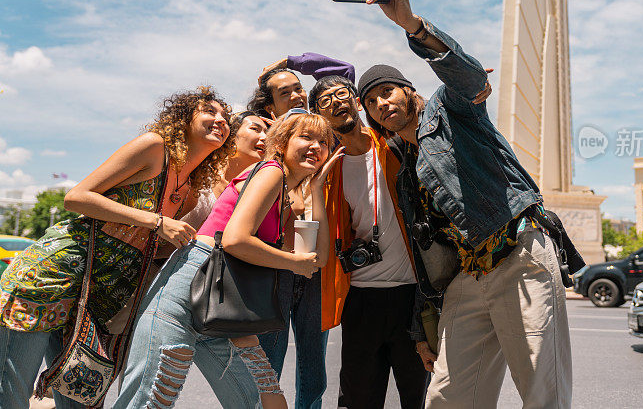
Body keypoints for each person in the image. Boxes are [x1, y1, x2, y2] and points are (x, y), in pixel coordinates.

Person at [358, 0, 573, 409]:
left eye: (387, 92)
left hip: (519, 257)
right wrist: (423, 326)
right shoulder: (406, 172)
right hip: (466, 277)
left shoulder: (449, 109)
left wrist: (413, 26)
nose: (382, 104)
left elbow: (471, 79)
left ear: (409, 91)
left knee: (541, 391)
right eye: (372, 102)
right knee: (447, 398)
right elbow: (426, 255)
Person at [0, 87, 235, 409]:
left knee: (81, 400)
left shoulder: (190, 188)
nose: (220, 120)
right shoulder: (155, 148)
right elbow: (77, 197)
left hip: (95, 299)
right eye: (210, 111)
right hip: (50, 276)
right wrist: (156, 221)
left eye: (226, 116)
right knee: (11, 394)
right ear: (184, 117)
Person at [114, 112, 344, 409]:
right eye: (306, 137)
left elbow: (316, 259)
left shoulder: (290, 194)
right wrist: (291, 263)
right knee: (150, 399)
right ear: (283, 143)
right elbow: (235, 240)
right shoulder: (271, 171)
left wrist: (316, 188)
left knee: (260, 399)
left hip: (230, 298)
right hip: (192, 283)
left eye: (323, 141)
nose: (316, 146)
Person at [307, 75, 427, 409]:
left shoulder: (394, 146)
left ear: (357, 102)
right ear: (320, 116)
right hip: (360, 299)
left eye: (341, 93)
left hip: (411, 296)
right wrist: (317, 190)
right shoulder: (327, 168)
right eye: (324, 101)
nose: (335, 102)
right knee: (359, 400)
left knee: (420, 397)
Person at [249, 53, 354, 409]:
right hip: (274, 267)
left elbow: (344, 74)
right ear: (269, 107)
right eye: (285, 93)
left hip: (315, 265)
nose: (297, 96)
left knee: (314, 368)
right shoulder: (261, 140)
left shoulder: (322, 136)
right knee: (268, 366)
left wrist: (293, 60)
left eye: (299, 89)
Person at [181, 111, 270, 230]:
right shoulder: (198, 173)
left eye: (268, 133)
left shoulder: (256, 190)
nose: (265, 138)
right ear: (231, 136)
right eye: (255, 129)